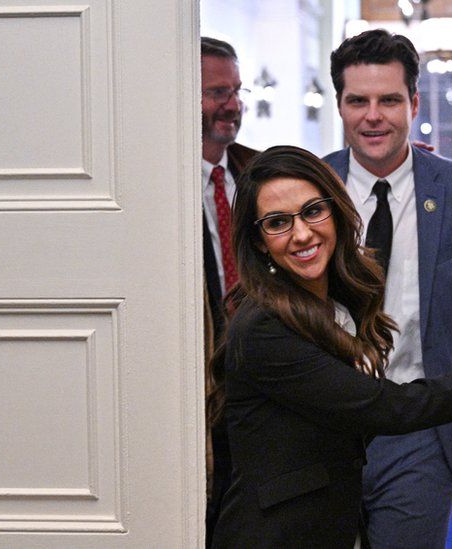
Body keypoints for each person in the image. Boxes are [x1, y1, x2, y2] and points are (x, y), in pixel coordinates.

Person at [207, 145, 452, 548]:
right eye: (277, 222)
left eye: (312, 211)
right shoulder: (263, 325)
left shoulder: (336, 301)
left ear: (336, 210)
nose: (302, 233)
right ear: (258, 242)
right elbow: (376, 406)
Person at [323, 29, 452, 547]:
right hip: (323, 425)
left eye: (389, 99)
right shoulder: (310, 188)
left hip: (421, 428)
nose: (374, 116)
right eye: (358, 101)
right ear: (340, 105)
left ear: (413, 102)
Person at [200, 36, 258, 547]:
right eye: (217, 91)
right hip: (193, 401)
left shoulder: (256, 173)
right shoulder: (155, 186)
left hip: (258, 394)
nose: (233, 104)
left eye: (236, 90)